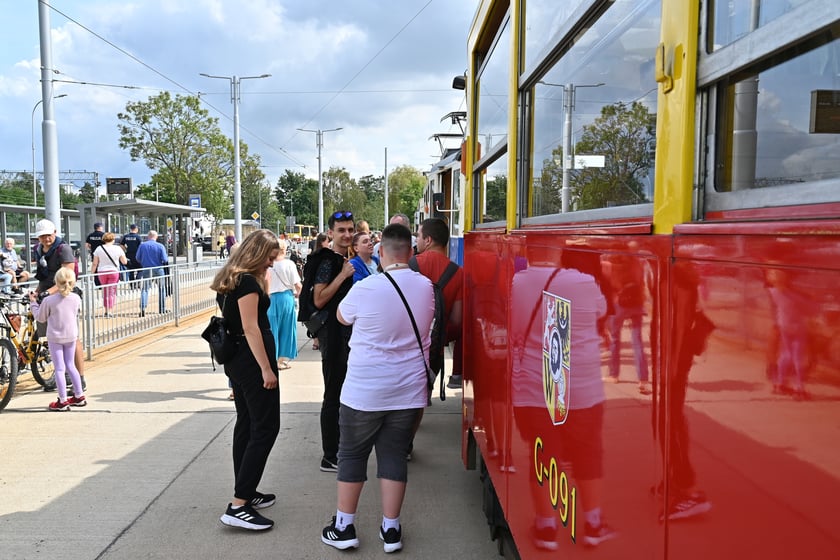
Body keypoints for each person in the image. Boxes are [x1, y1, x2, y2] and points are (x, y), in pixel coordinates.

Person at [320, 223, 434, 553]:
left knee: (352, 455)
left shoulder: (366, 287)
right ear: (411, 253)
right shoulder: (426, 287)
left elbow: (341, 317)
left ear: (381, 253)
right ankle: (392, 529)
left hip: (364, 391)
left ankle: (344, 527)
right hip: (408, 391)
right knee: (394, 455)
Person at [209, 229, 281, 532]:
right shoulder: (248, 282)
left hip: (236, 361)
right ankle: (239, 504)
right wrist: (267, 369)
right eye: (269, 258)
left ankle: (246, 490)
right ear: (256, 253)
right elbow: (251, 329)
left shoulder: (231, 279)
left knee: (247, 423)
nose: (272, 264)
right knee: (266, 427)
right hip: (252, 361)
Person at [311, 210, 356, 473]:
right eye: (341, 230)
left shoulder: (343, 258)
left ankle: (338, 448)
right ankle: (330, 454)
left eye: (350, 230)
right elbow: (318, 299)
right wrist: (342, 275)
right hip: (333, 338)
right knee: (333, 394)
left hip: (344, 336)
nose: (347, 234)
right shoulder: (330, 262)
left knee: (342, 392)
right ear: (331, 233)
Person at [32, 219, 86, 394]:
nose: (46, 239)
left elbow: (68, 277)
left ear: (54, 232)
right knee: (53, 337)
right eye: (42, 236)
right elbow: (42, 276)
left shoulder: (64, 249)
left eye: (48, 235)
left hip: (64, 295)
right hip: (47, 296)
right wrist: (37, 292)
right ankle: (61, 375)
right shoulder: (38, 250)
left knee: (71, 337)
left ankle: (80, 378)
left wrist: (48, 293)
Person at [413, 218, 463, 389]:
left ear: (428, 240)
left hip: (409, 347)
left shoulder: (411, 265)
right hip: (435, 350)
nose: (416, 239)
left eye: (418, 235)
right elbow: (457, 320)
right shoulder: (458, 273)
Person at [31, 267, 86, 411]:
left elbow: (40, 317)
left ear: (56, 282)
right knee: (70, 365)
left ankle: (62, 401)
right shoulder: (76, 298)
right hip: (71, 335)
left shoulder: (49, 300)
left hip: (55, 337)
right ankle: (79, 395)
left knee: (60, 368)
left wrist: (33, 303)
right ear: (73, 282)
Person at [267, 239, 301, 369]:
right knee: (287, 328)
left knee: (272, 329)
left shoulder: (268, 264)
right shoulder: (289, 264)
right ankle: (283, 359)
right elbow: (297, 284)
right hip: (286, 297)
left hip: (270, 298)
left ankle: (272, 359)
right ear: (284, 249)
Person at [91, 232, 128, 317]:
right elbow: (124, 262)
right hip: (113, 272)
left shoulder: (99, 249)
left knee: (105, 291)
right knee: (111, 291)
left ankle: (106, 310)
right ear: (113, 239)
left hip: (102, 272)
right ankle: (110, 311)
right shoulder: (118, 248)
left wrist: (92, 274)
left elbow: (94, 263)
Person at [135, 230, 169, 317]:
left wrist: (144, 262)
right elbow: (165, 260)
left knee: (145, 289)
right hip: (158, 269)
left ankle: (142, 308)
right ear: (156, 237)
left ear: (148, 236)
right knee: (162, 288)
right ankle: (162, 309)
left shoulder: (142, 246)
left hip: (146, 269)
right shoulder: (160, 246)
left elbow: (137, 258)